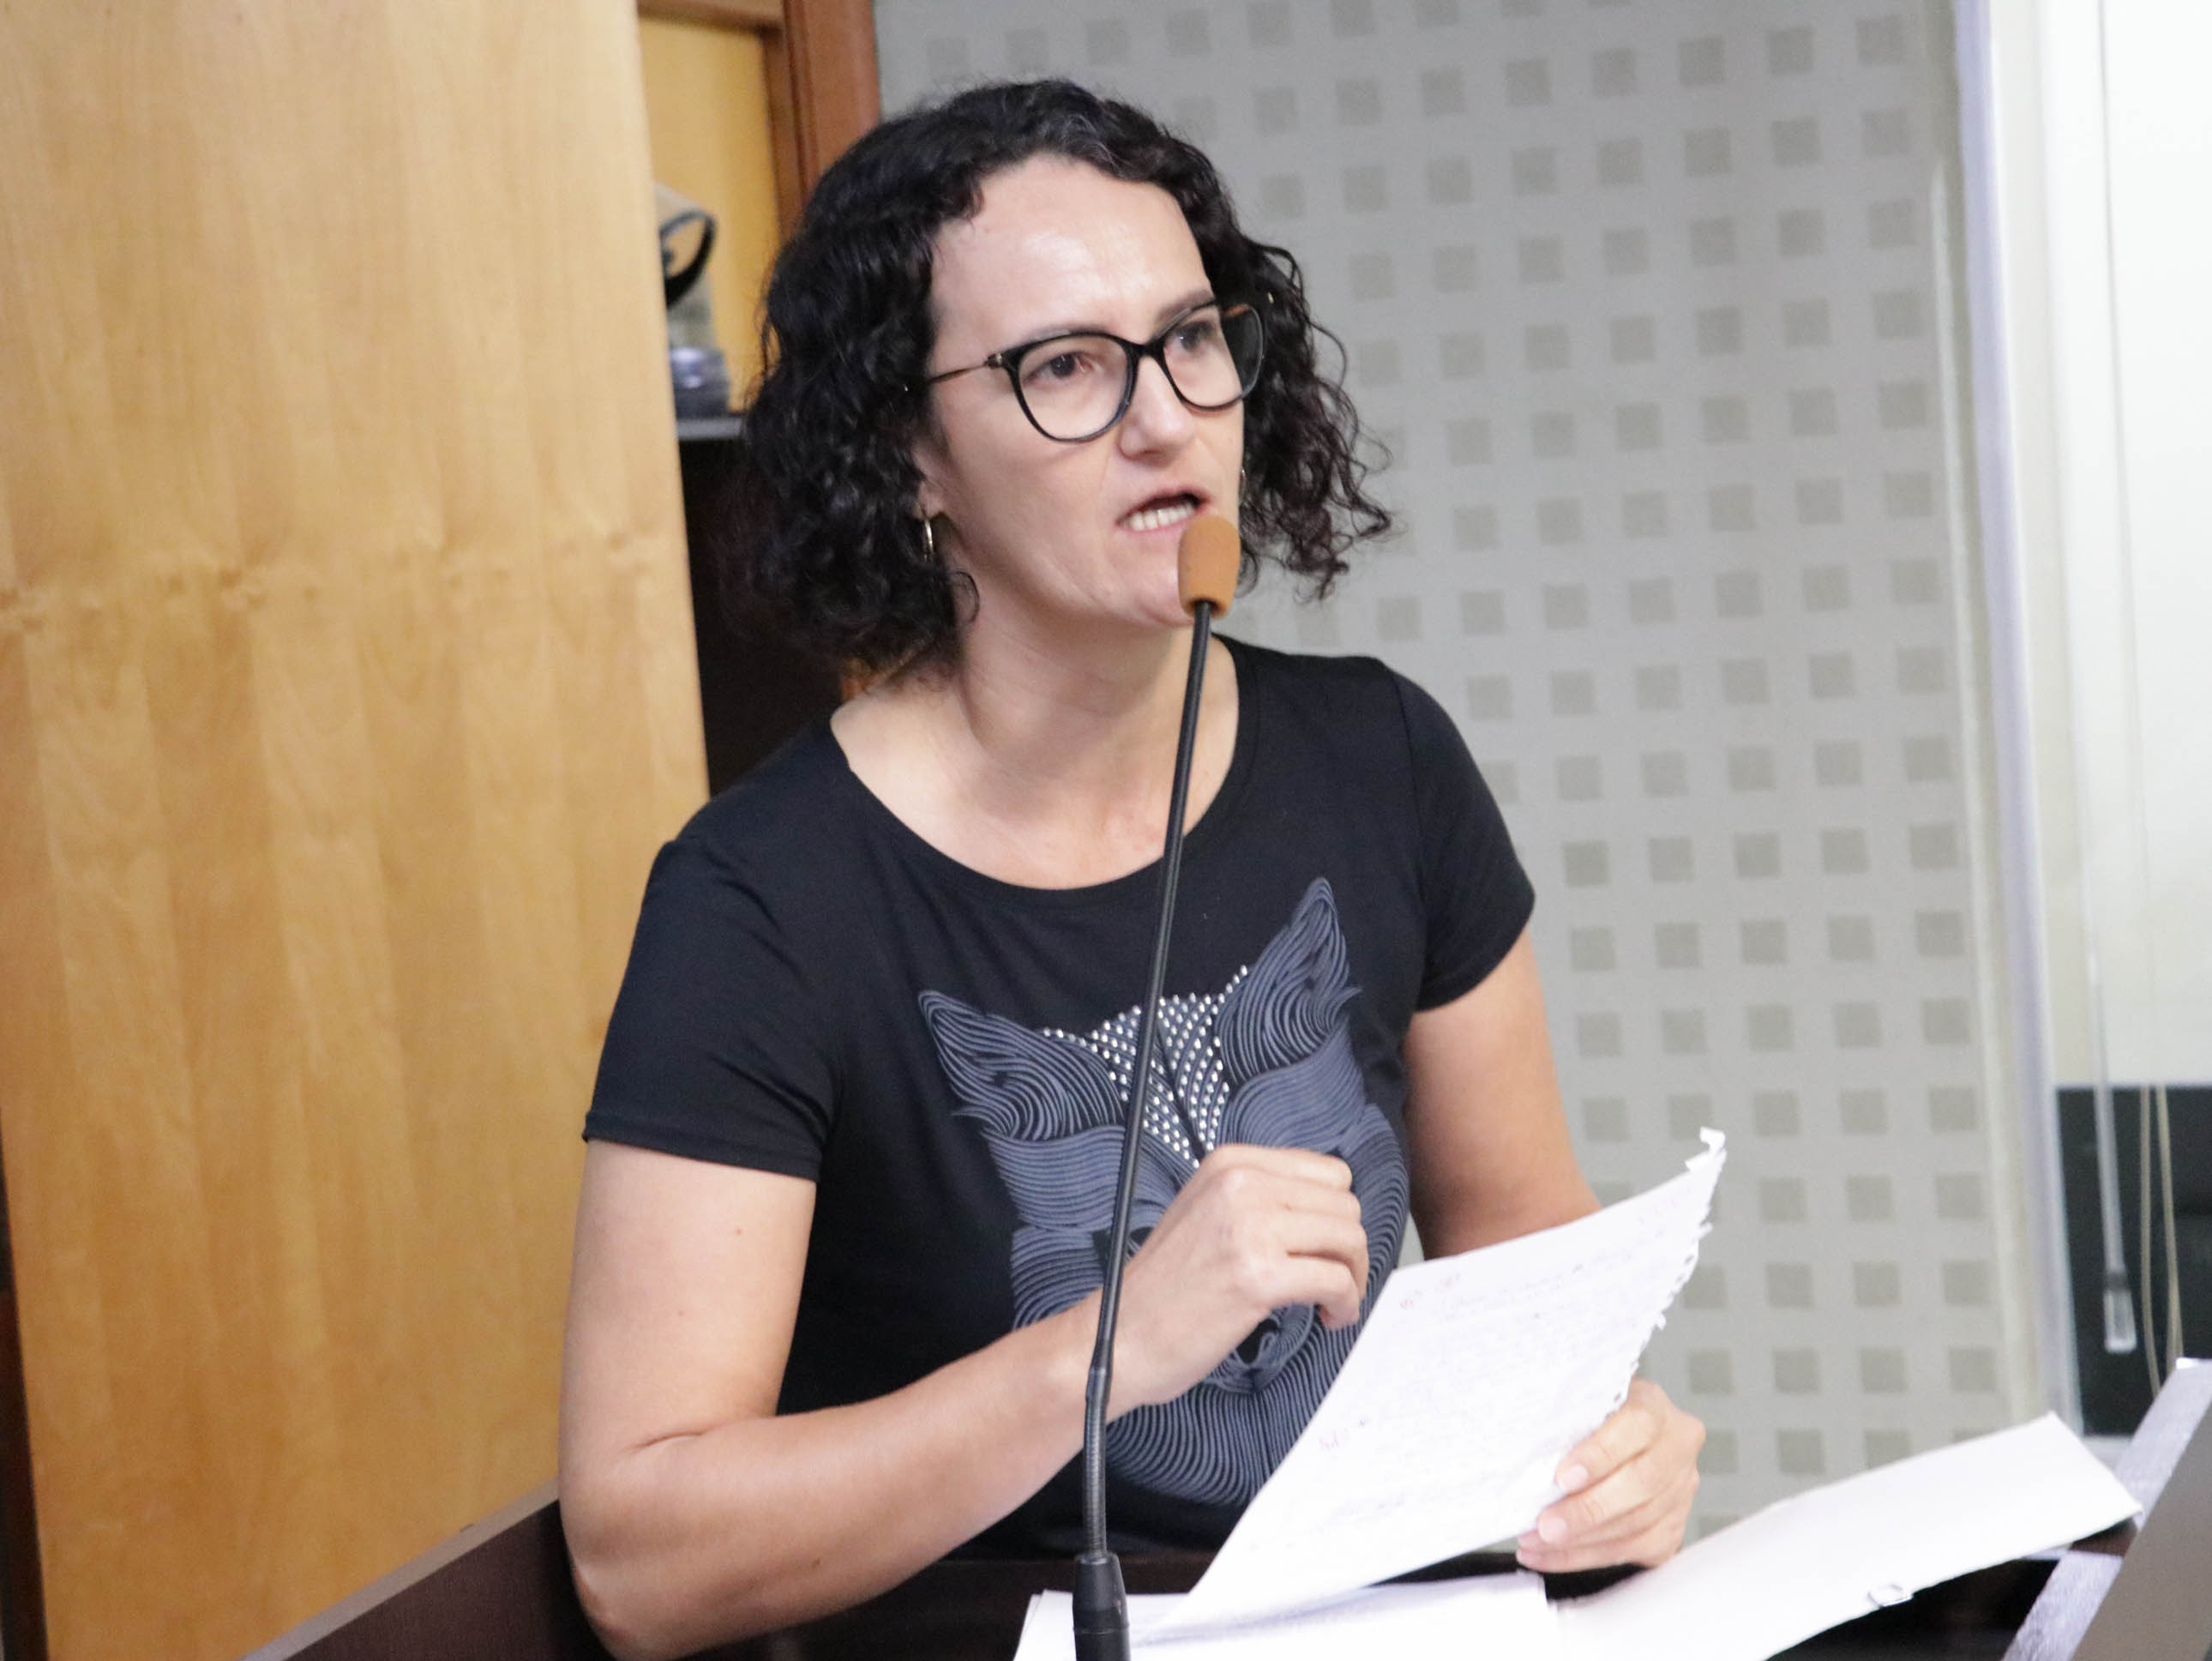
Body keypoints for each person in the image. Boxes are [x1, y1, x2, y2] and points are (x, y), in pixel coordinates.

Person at [559, 79, 1703, 1661]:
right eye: (1067, 369)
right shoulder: (758, 901)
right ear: (909, 455)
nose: (1166, 418)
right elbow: (640, 1561)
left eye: (1191, 340)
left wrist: (1614, 1448)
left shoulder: (1382, 758)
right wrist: (1110, 1346)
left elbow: (1526, 1273)